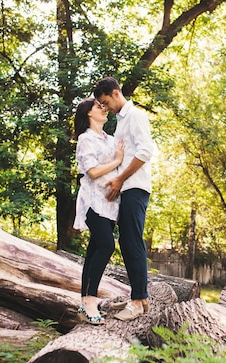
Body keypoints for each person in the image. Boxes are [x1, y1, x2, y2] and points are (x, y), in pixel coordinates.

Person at [93, 76, 156, 321]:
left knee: (132, 242)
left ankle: (139, 301)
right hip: (125, 189)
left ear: (116, 94)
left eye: (105, 101)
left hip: (136, 187)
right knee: (127, 243)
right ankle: (139, 299)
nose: (104, 107)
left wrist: (120, 180)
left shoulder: (136, 116)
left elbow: (145, 151)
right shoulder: (120, 123)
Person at [73, 97, 124, 325]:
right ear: (89, 114)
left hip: (110, 203)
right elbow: (92, 172)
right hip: (93, 202)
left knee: (94, 250)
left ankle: (84, 304)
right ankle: (91, 301)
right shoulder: (85, 139)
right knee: (106, 245)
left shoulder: (111, 140)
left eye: (104, 107)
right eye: (98, 107)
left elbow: (124, 162)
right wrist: (117, 162)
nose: (104, 110)